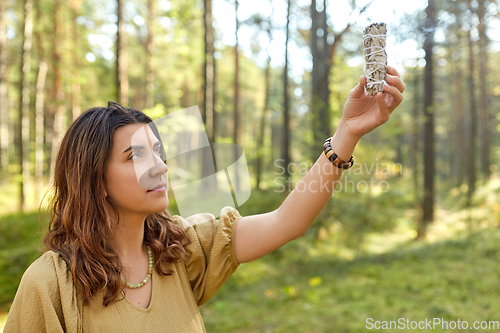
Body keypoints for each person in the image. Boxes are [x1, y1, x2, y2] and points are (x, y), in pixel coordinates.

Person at [4, 66, 404, 332]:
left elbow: (288, 222)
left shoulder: (180, 248)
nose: (159, 166)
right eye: (136, 156)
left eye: (157, 151)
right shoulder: (50, 285)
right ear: (95, 179)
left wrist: (347, 134)